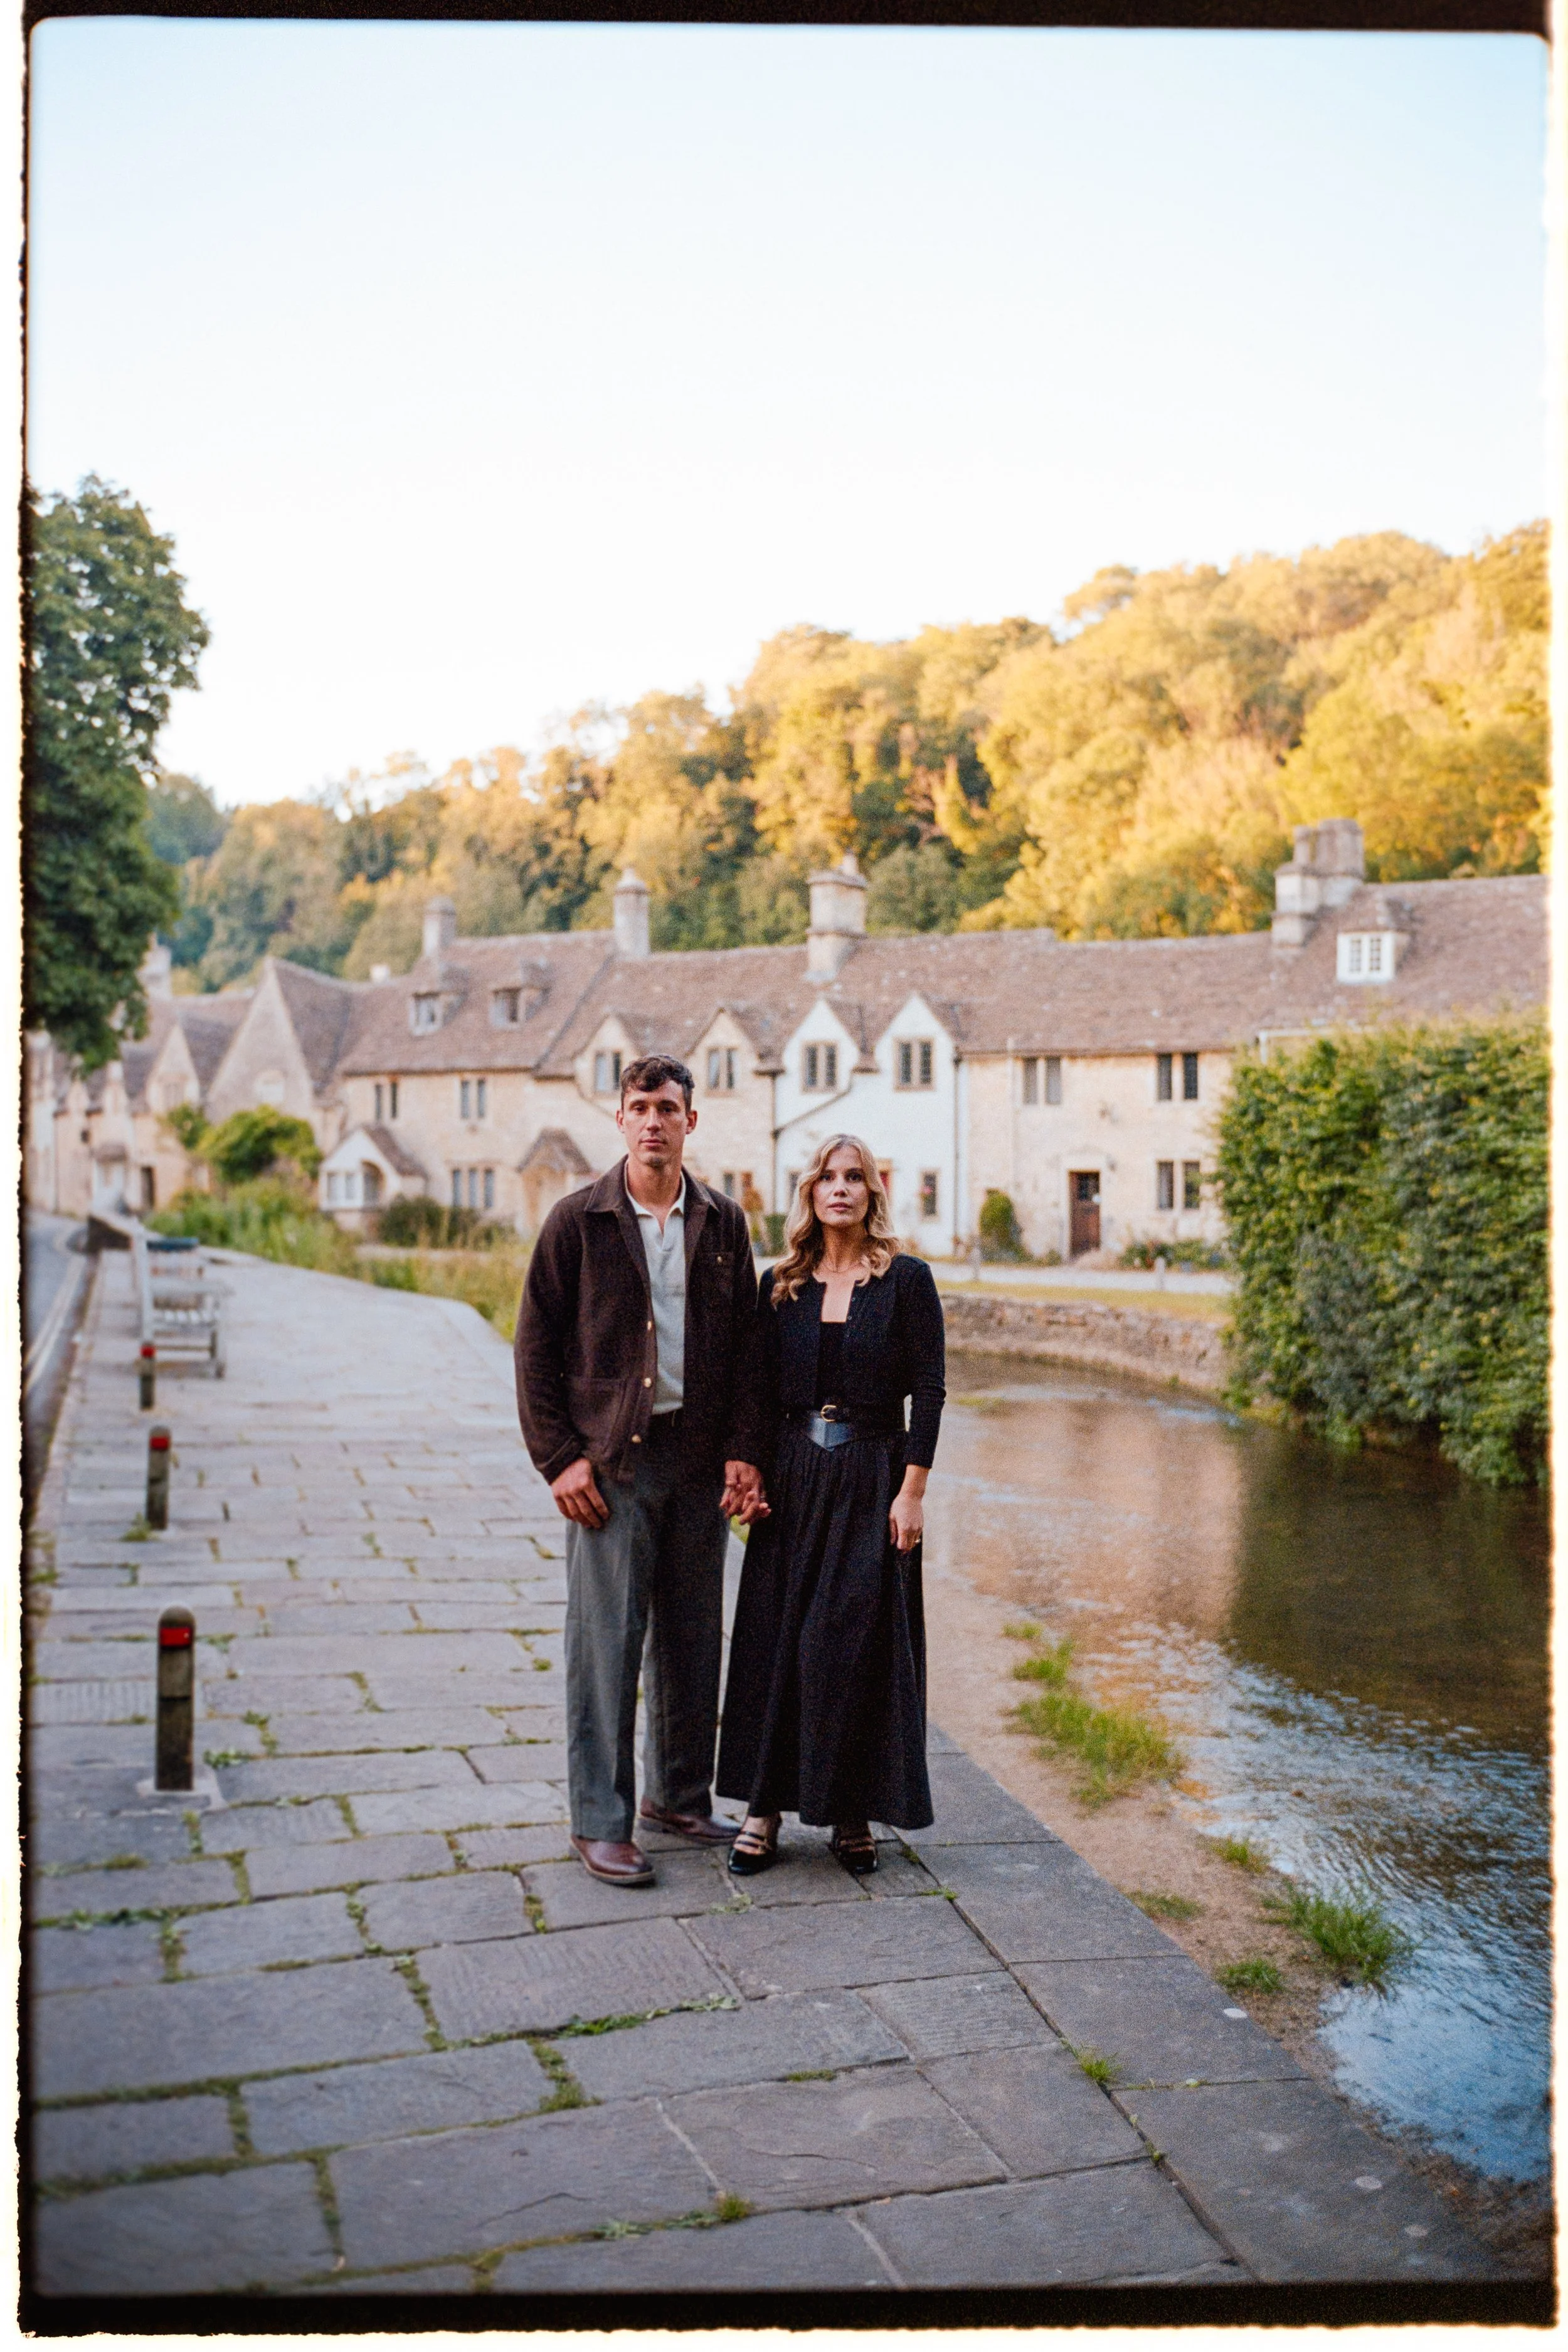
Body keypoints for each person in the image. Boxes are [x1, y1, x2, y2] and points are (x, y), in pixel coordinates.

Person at [514, 1054, 768, 1887]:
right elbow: (536, 1350)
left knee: (695, 1636)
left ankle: (679, 1796)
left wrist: (742, 1450)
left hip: (697, 1458)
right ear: (618, 1119)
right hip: (609, 1464)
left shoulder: (724, 1224)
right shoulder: (576, 1220)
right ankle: (599, 1819)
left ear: (692, 1122)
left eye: (668, 1108)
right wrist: (559, 1461)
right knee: (606, 1644)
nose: (653, 1121)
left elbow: (744, 1355)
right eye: (639, 1107)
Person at [716, 1135, 945, 1876]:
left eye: (854, 1178)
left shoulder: (907, 1281)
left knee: (854, 1644)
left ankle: (851, 1810)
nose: (839, 1188)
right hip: (794, 1476)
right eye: (826, 1177)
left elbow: (930, 1393)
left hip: (874, 1476)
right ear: (809, 1192)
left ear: (872, 1193)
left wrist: (911, 1493)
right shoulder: (780, 1282)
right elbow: (750, 1386)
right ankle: (762, 1809)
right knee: (778, 1639)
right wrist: (746, 1474)